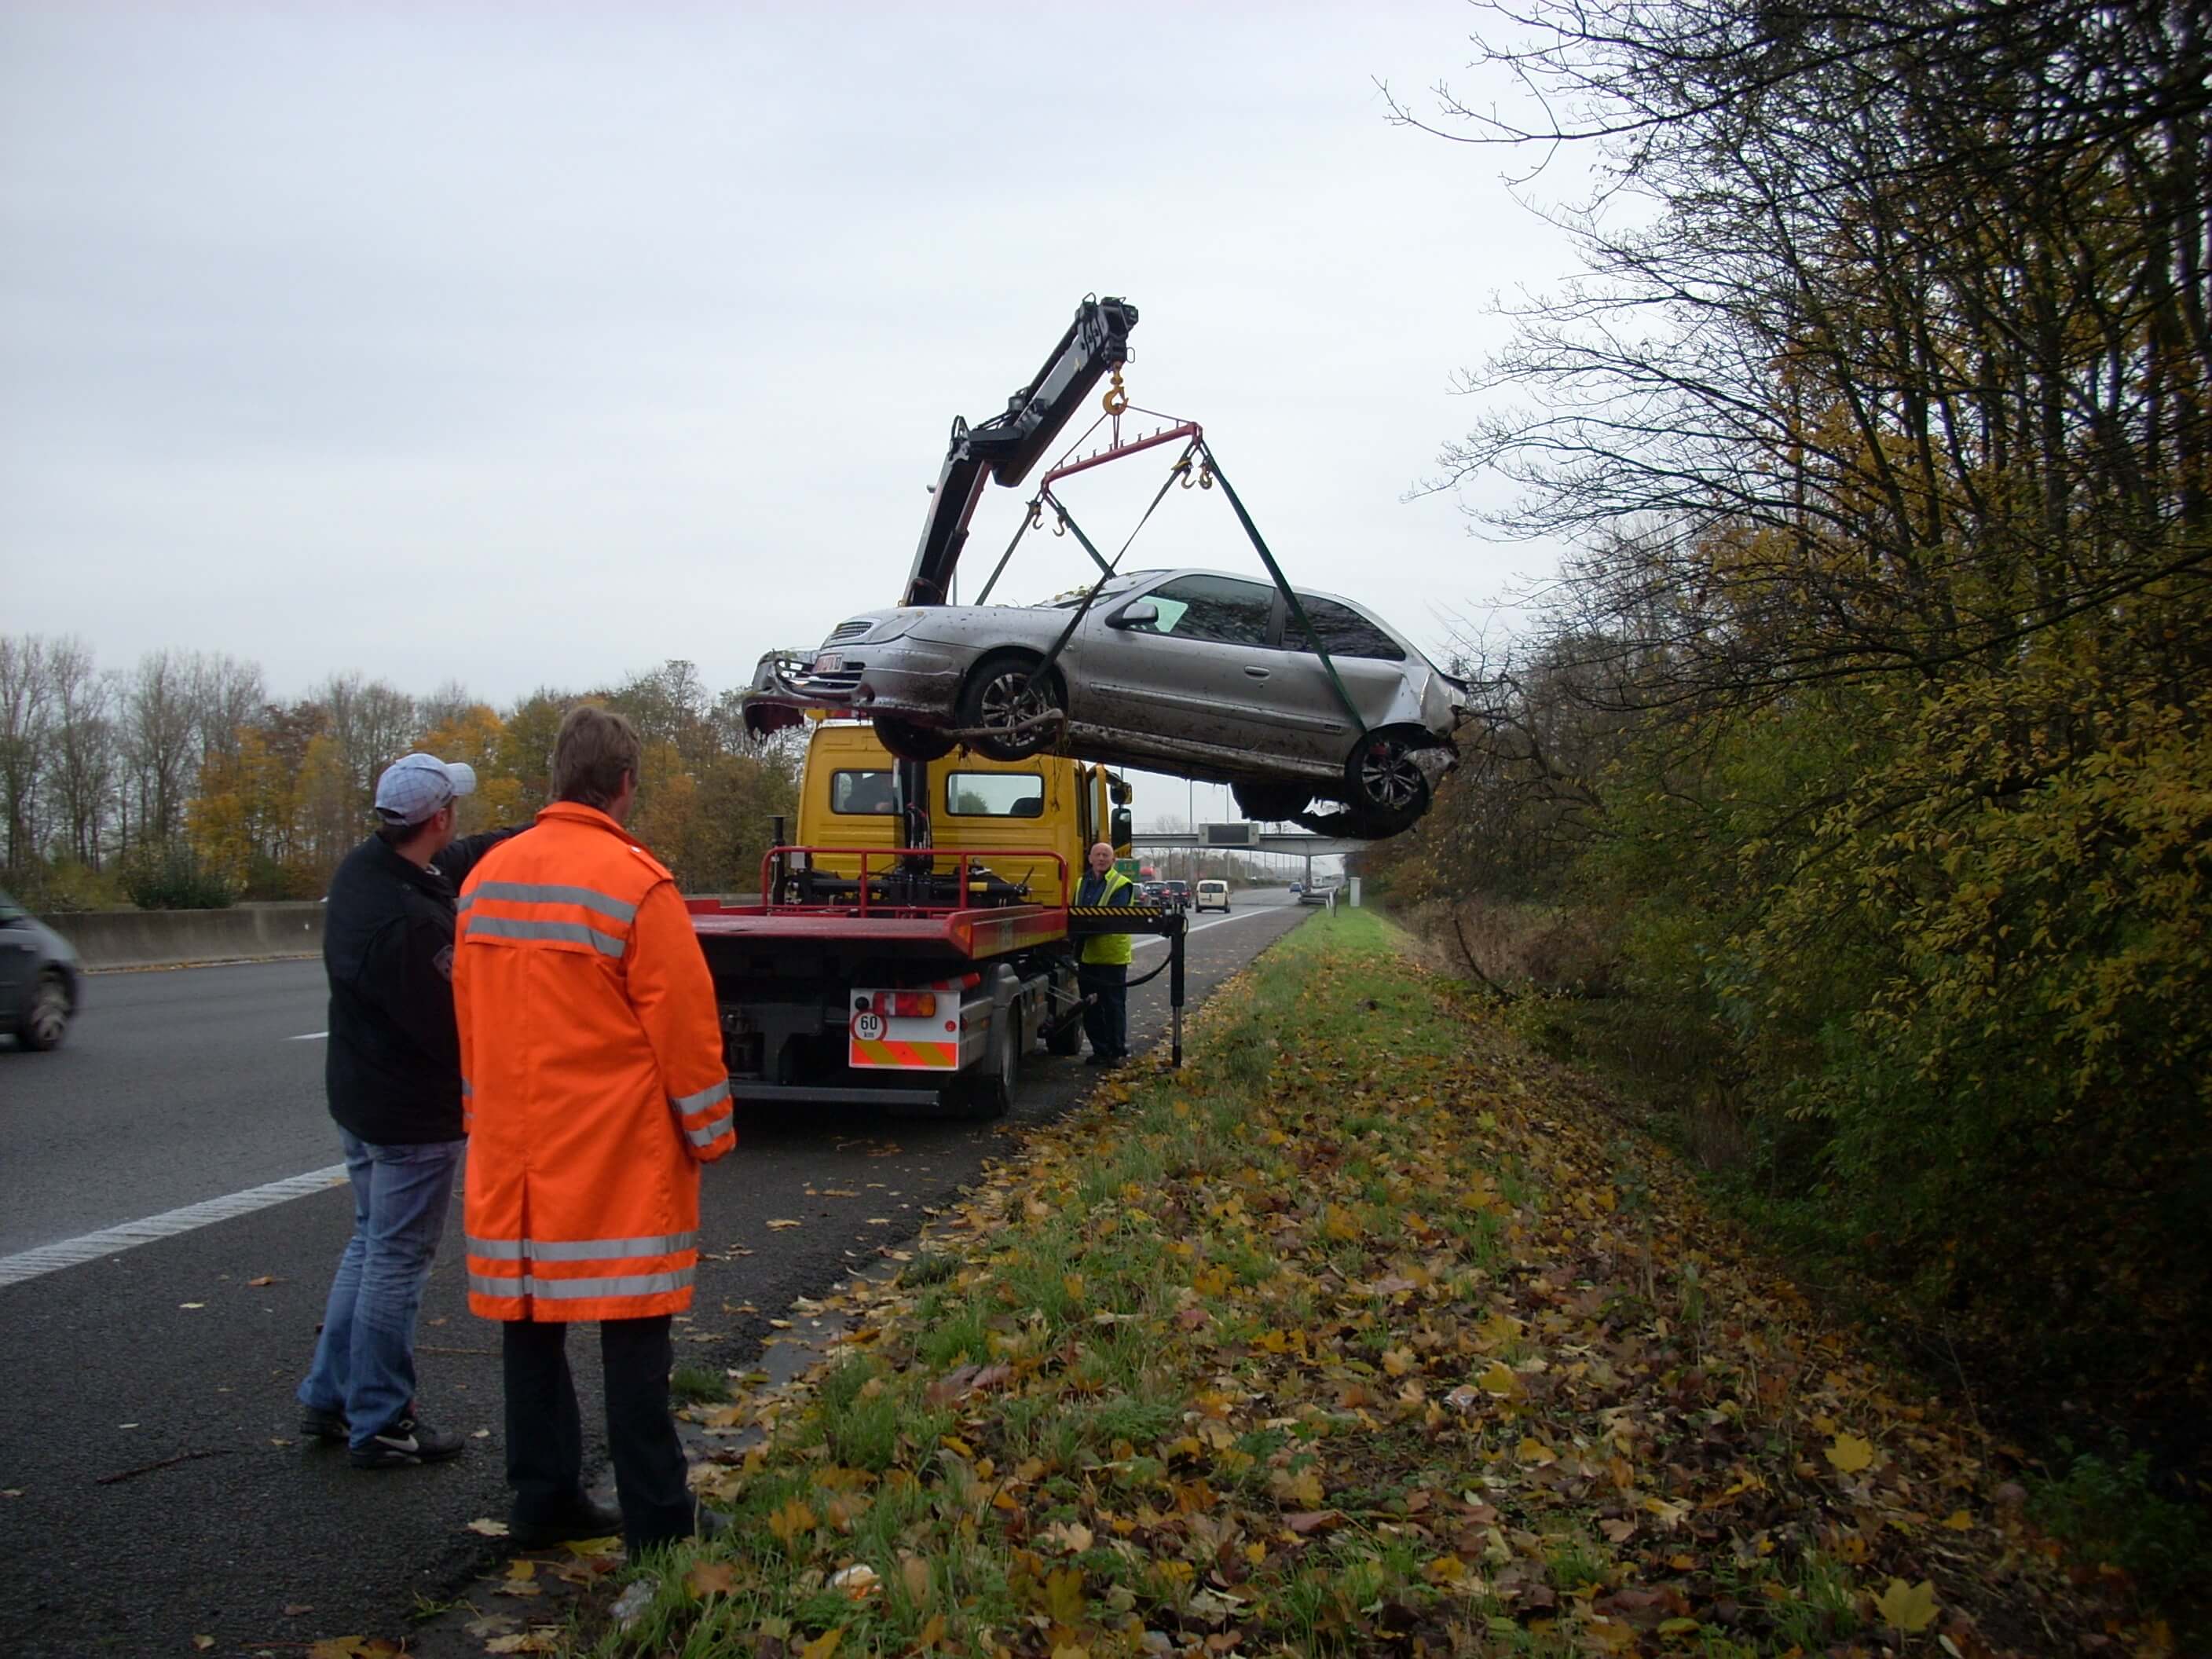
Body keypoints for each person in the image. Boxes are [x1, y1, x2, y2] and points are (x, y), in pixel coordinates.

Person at [453, 705, 735, 1553]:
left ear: (553, 779)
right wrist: (710, 1132)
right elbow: (684, 1031)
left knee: (531, 1328)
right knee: (633, 1336)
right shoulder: (634, 884)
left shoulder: (485, 882)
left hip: (518, 1153)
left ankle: (541, 1501)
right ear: (624, 783)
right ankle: (658, 1520)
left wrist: (482, 1116)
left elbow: (469, 1019)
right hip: (615, 1151)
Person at [297, 751, 519, 1470]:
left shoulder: (371, 870)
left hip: (361, 1098)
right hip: (407, 1117)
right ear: (439, 814)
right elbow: (452, 1030)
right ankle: (383, 1419)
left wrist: (532, 832)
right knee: (396, 1260)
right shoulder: (413, 927)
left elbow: (456, 859)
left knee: (369, 1246)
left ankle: (330, 1396)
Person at [1075, 840, 1134, 1066]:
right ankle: (1100, 1051)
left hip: (1111, 957)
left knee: (1113, 1006)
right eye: (1098, 855)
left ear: (1113, 860)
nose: (1101, 859)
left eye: (1106, 855)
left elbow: (1108, 918)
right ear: (1090, 858)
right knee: (1090, 1007)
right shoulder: (1081, 883)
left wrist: (1082, 928)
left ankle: (1116, 1052)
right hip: (1088, 955)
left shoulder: (1122, 884)